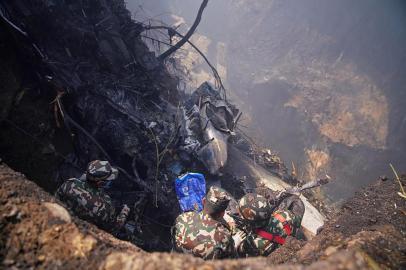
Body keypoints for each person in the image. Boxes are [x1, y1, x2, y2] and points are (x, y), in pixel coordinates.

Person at [56, 160, 129, 230]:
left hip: (60, 218)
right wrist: (124, 212)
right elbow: (113, 229)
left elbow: (56, 198)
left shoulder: (69, 183)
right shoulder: (104, 207)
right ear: (100, 183)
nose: (110, 182)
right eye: (108, 180)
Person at [173, 186, 239, 259]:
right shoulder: (224, 237)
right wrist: (235, 244)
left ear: (203, 201)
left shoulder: (182, 218)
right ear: (223, 213)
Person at [235, 193, 305, 257]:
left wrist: (237, 244)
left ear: (251, 221)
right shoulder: (285, 216)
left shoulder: (252, 244)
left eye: (242, 215)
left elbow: (238, 253)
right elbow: (298, 210)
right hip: (288, 243)